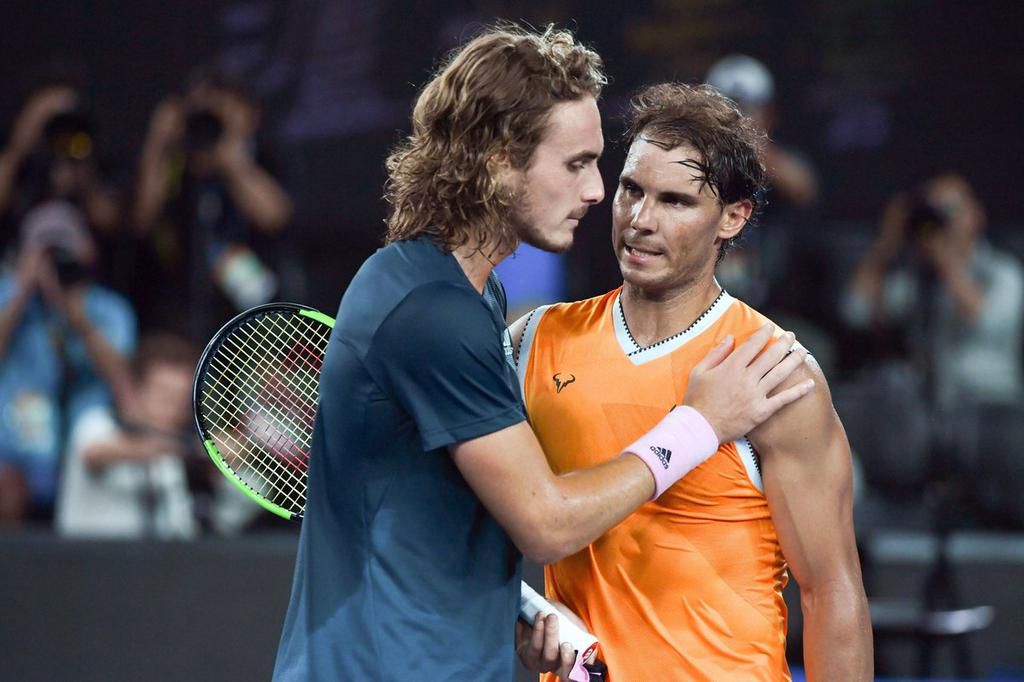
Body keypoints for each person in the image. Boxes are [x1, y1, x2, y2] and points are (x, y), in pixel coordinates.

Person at [272, 26, 813, 682]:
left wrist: (518, 611)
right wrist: (699, 424)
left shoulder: (466, 295)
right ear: (502, 162)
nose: (598, 193)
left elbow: (433, 517)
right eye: (576, 164)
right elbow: (547, 525)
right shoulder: (431, 313)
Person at [514, 83, 871, 680]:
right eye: (632, 190)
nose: (640, 221)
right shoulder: (533, 342)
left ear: (733, 217)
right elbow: (471, 522)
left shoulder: (774, 372)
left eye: (676, 201)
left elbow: (832, 591)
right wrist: (527, 618)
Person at [0, 199, 136, 522]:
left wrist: (78, 319)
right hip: (15, 460)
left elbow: (123, 382)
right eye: (45, 254)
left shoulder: (109, 309)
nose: (55, 263)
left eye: (63, 252)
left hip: (85, 457)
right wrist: (22, 291)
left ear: (87, 253)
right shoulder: (8, 297)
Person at [132, 69, 292, 339]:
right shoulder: (178, 166)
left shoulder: (265, 160)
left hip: (257, 319)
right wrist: (157, 142)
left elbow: (274, 216)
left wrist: (229, 158)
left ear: (250, 116)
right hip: (182, 314)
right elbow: (141, 219)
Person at [55, 333, 199, 539]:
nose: (174, 410)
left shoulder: (170, 457)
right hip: (87, 557)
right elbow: (95, 453)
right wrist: (196, 447)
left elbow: (180, 530)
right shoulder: (96, 424)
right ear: (133, 391)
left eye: (181, 400)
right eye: (165, 396)